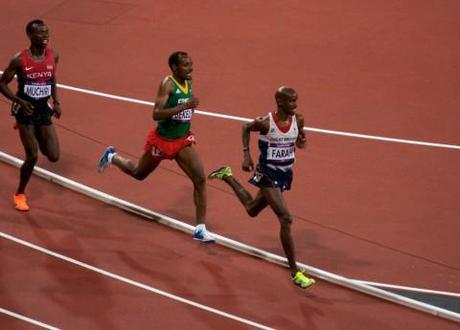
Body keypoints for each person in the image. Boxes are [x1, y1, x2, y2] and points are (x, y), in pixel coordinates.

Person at [97, 51, 215, 243]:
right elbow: (157, 114)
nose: (190, 68)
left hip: (182, 140)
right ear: (174, 68)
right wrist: (184, 107)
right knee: (138, 173)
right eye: (185, 65)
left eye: (191, 64)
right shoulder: (167, 84)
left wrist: (185, 110)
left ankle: (200, 229)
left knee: (200, 178)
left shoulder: (188, 80)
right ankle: (112, 157)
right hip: (163, 140)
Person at [208, 86, 315, 288]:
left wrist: (301, 141)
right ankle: (295, 273)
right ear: (280, 102)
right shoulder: (265, 123)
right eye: (291, 101)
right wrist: (246, 154)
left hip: (285, 174)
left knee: (252, 210)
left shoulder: (298, 120)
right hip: (267, 173)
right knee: (286, 218)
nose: (295, 104)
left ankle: (227, 175)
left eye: (296, 100)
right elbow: (245, 127)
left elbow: (300, 139)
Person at [0, 19, 61, 211]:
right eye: (40, 33)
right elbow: (1, 83)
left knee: (53, 156)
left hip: (43, 109)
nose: (45, 36)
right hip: (25, 110)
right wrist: (18, 101)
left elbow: (52, 78)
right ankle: (20, 194)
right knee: (33, 156)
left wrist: (56, 101)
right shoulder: (19, 59)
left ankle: (33, 132)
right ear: (30, 36)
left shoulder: (54, 56)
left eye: (47, 32)